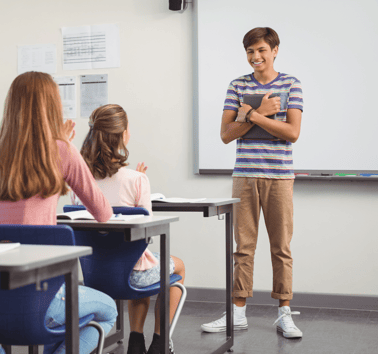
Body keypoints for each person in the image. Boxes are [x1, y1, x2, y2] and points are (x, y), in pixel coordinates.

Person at [0, 71, 117, 354]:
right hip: (41, 299)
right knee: (109, 310)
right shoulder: (62, 150)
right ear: (53, 106)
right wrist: (63, 145)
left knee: (64, 316)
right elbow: (103, 212)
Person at [201, 27, 303, 338]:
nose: (255, 57)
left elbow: (292, 133)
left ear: (274, 50)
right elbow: (225, 135)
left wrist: (253, 117)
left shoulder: (291, 85)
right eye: (250, 51)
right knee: (243, 248)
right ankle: (238, 313)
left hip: (280, 176)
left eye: (261, 50)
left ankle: (284, 314)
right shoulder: (237, 86)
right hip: (244, 176)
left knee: (281, 248)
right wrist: (260, 112)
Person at [72, 104, 185, 354]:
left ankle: (135, 340)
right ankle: (159, 342)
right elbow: (146, 232)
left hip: (94, 274)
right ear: (123, 134)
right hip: (132, 277)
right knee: (168, 264)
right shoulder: (136, 179)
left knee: (135, 258)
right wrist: (139, 180)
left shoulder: (79, 180)